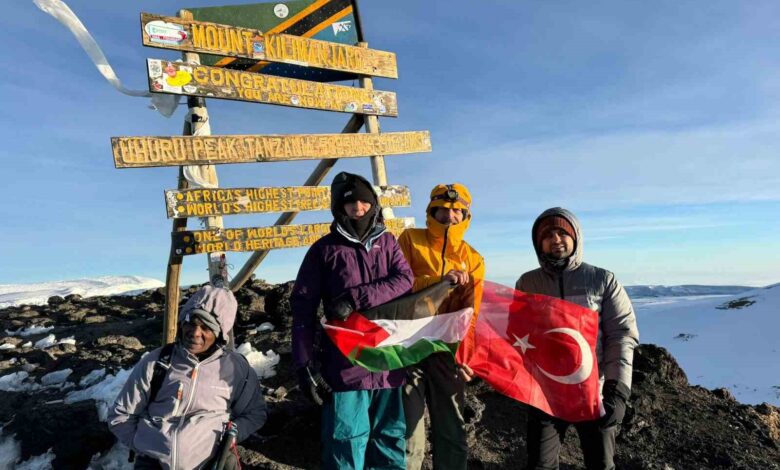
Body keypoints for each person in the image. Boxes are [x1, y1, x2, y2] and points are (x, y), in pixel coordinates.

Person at [291, 171, 414, 470]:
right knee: (346, 441)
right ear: (338, 207)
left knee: (390, 438)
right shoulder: (324, 250)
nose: (358, 208)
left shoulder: (388, 243)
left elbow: (404, 280)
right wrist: (303, 363)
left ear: (373, 204)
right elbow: (303, 309)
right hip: (346, 364)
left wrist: (355, 299)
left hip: (387, 359)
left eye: (363, 201)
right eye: (350, 203)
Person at [516, 208, 639, 470]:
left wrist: (618, 390)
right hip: (545, 395)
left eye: (562, 232)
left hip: (594, 391)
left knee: (600, 464)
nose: (556, 238)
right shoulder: (527, 283)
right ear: (538, 244)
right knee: (540, 465)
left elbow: (621, 335)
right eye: (547, 235)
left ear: (575, 237)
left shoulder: (602, 280)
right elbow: (517, 333)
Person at [108, 286, 267, 470]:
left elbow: (255, 414)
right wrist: (144, 444)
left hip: (213, 463)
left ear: (219, 333)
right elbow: (120, 415)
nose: (195, 332)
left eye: (206, 327)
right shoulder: (157, 362)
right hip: (154, 464)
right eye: (191, 322)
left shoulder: (236, 368)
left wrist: (231, 435)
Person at [397, 183, 485, 470]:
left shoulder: (474, 258)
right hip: (409, 348)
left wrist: (465, 356)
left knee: (452, 432)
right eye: (444, 209)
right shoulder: (410, 239)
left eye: (457, 211)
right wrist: (438, 282)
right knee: (408, 434)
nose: (450, 215)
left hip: (448, 353)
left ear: (466, 215)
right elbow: (397, 286)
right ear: (431, 210)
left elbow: (474, 312)